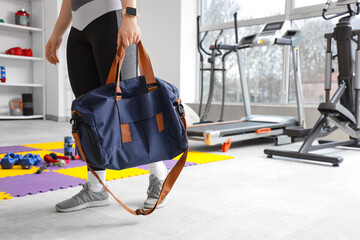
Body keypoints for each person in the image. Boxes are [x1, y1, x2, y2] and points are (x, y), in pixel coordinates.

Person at [45, 0, 169, 212]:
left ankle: (158, 174)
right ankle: (96, 188)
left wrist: (129, 15)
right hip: (78, 29)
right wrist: (57, 32)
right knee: (88, 114)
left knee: (129, 108)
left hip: (110, 19)